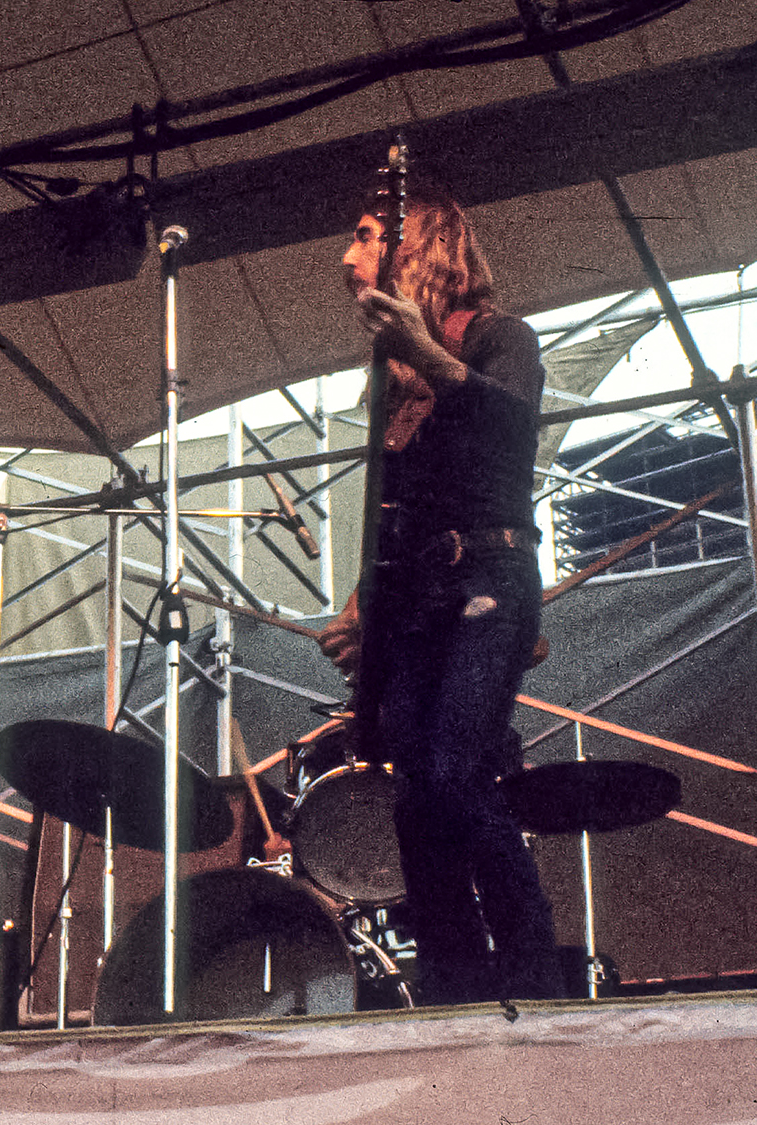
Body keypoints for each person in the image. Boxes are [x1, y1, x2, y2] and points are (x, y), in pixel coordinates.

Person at [317, 181, 563, 1005]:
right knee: (415, 800)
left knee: (457, 772)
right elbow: (392, 514)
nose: (348, 256)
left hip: (490, 574)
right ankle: (455, 987)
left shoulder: (502, 337)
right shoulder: (389, 383)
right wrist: (363, 609)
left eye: (364, 236)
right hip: (422, 596)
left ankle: (538, 978)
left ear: (414, 248)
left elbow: (512, 429)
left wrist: (431, 355)